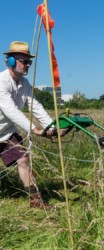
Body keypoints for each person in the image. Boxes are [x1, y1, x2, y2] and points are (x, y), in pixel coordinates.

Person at [0, 41, 60, 209]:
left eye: (29, 62)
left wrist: (51, 127)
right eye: (24, 61)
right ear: (11, 61)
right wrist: (34, 130)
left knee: (24, 159)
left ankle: (36, 201)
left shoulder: (24, 83)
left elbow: (35, 106)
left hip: (6, 132)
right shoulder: (1, 82)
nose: (28, 65)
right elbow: (10, 110)